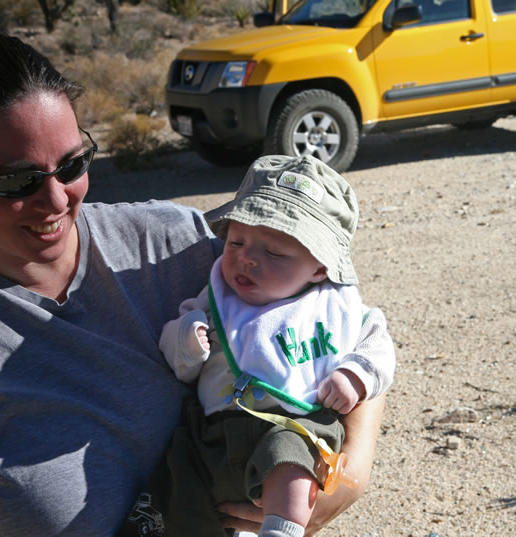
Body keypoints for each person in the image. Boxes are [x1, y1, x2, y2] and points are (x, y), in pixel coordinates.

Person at [0, 31, 386, 537]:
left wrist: (348, 475)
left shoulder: (173, 247)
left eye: (72, 164)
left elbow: (338, 321)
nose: (56, 200)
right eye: (17, 179)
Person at [120, 155, 395, 537]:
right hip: (212, 433)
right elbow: (177, 358)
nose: (246, 257)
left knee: (293, 463)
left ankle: (281, 531)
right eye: (236, 241)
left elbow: (378, 348)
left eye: (275, 253)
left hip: (295, 423)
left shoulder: (336, 309)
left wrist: (355, 375)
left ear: (320, 268)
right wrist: (187, 339)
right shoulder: (215, 298)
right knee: (179, 482)